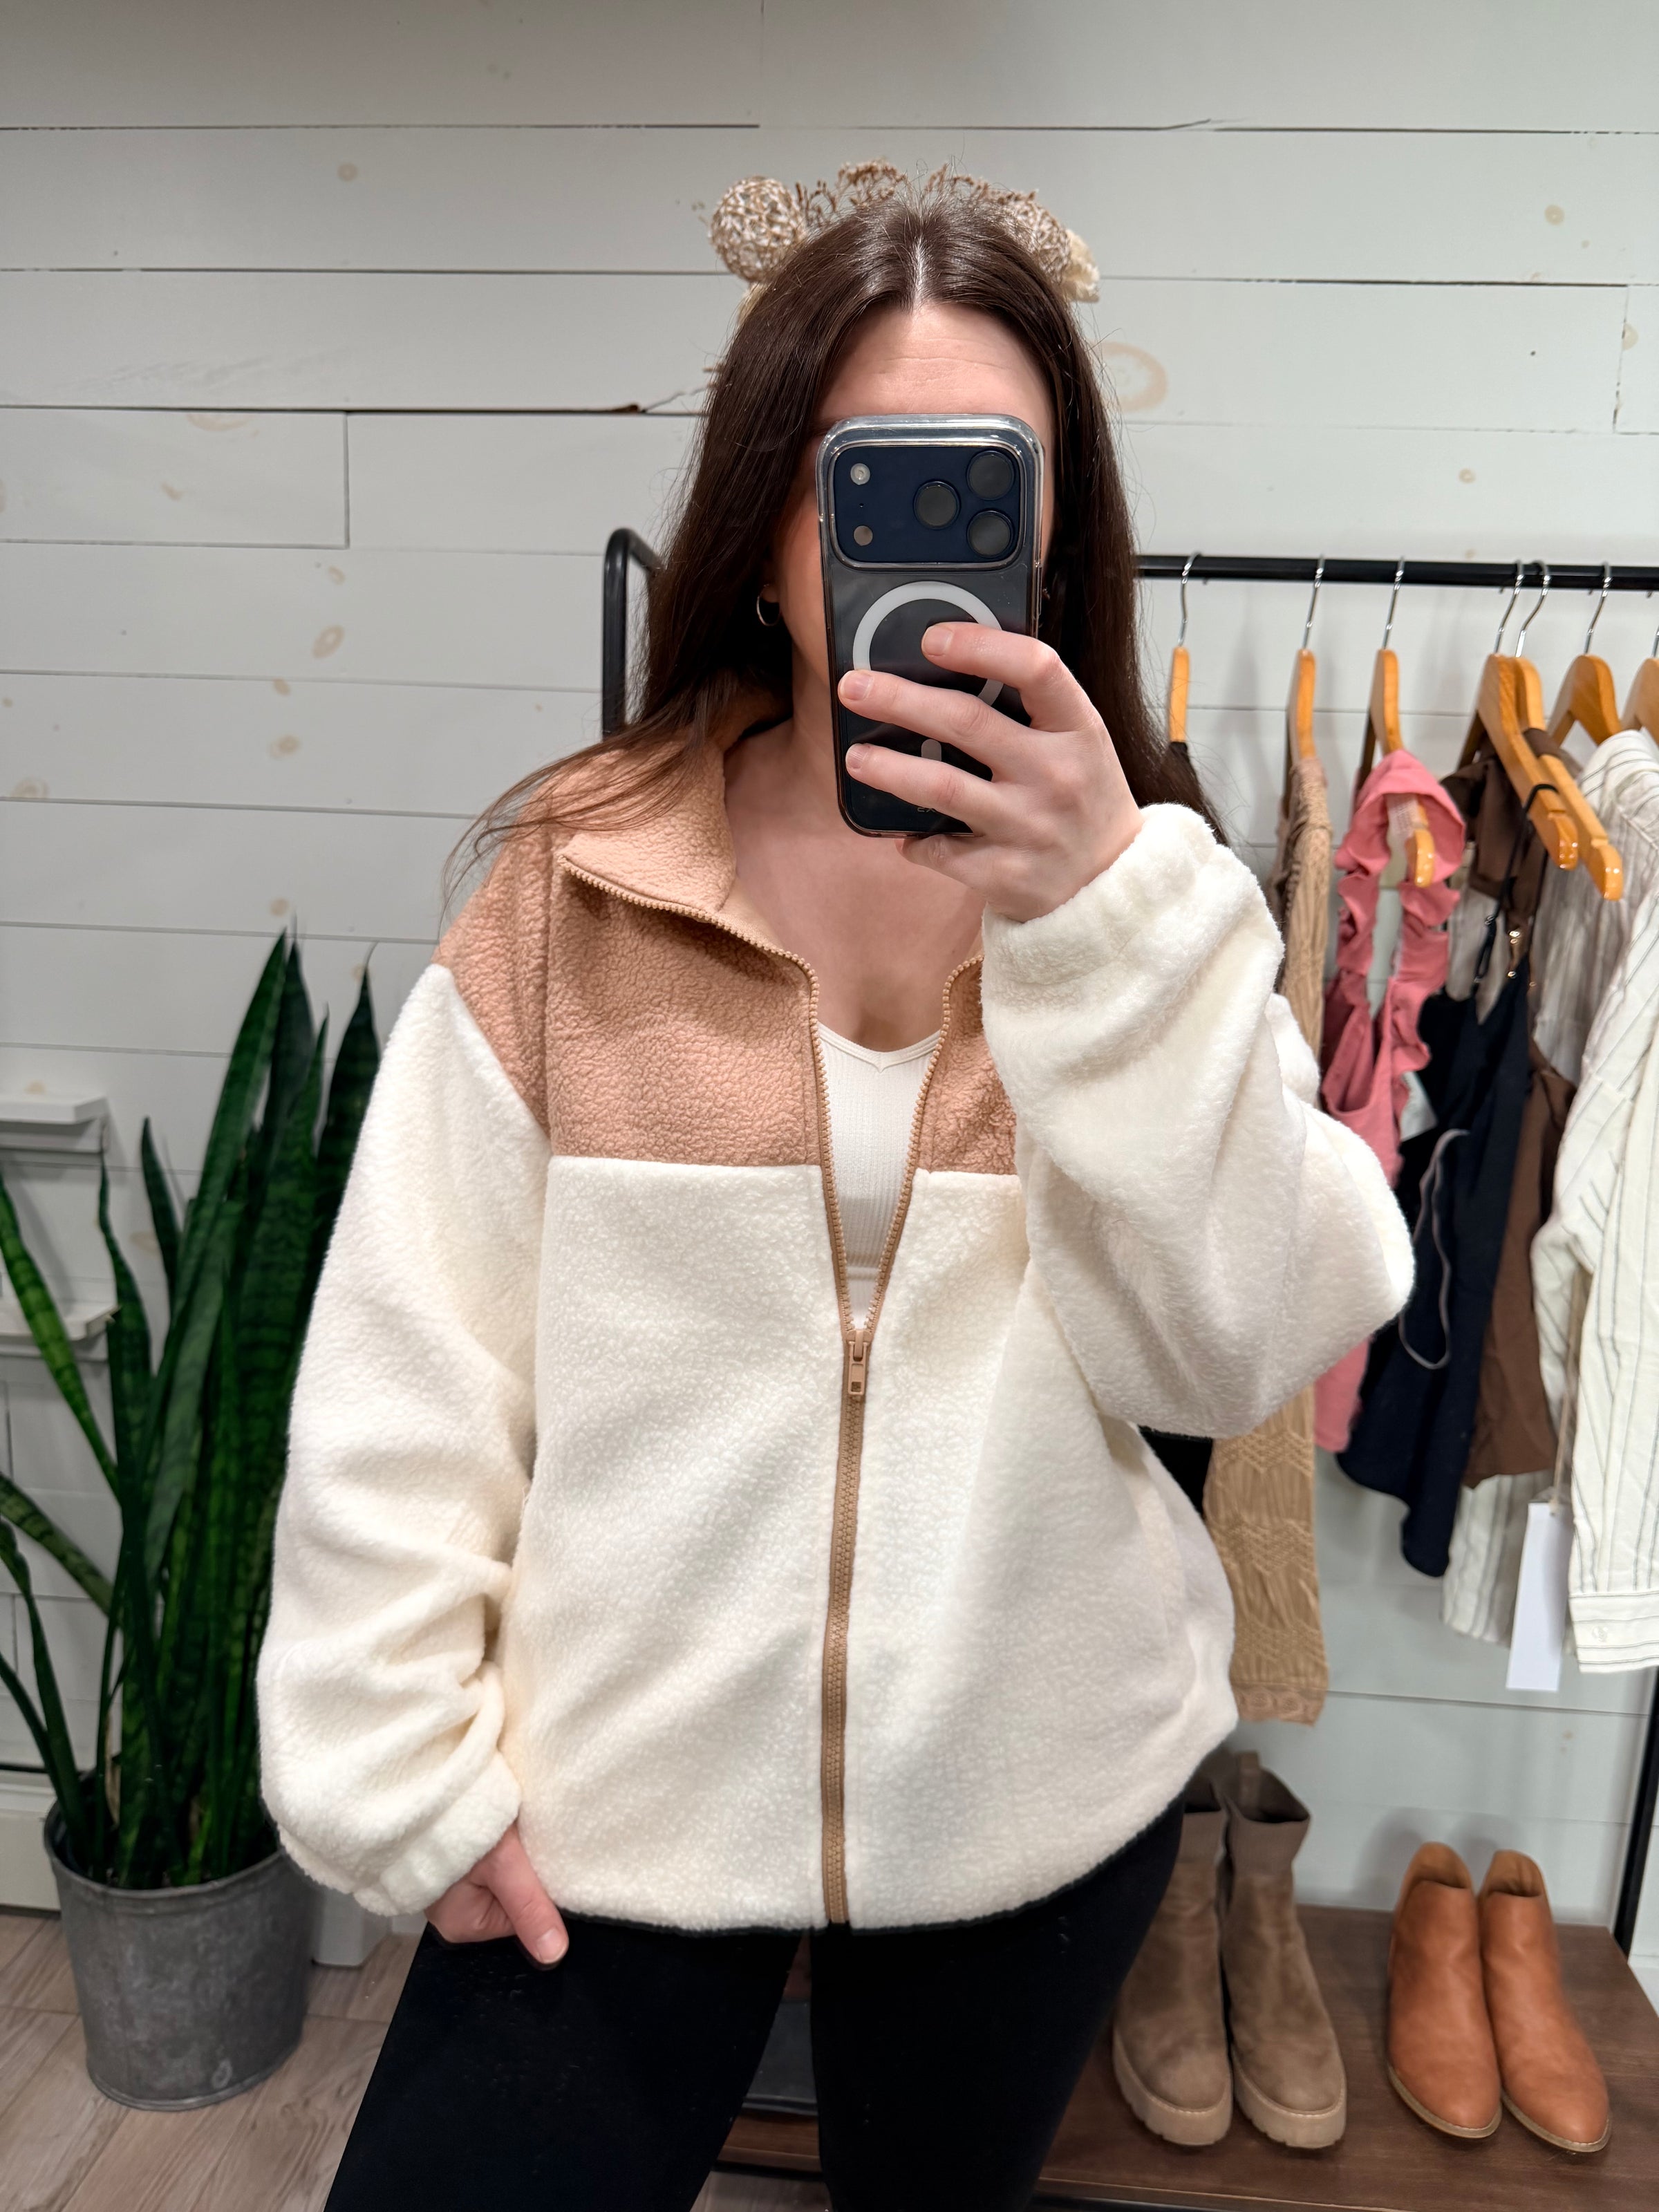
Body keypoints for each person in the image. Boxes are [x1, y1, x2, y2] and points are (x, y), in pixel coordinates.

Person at [256, 181, 1412, 2212]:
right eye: (859, 479)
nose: (914, 541)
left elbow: (1225, 1353)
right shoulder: (579, 886)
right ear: (768, 520)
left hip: (1036, 1793)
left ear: (1052, 539)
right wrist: (403, 1774)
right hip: (611, 1793)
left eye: (983, 484)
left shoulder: (1149, 903)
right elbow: (408, 1366)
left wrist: (1099, 933)